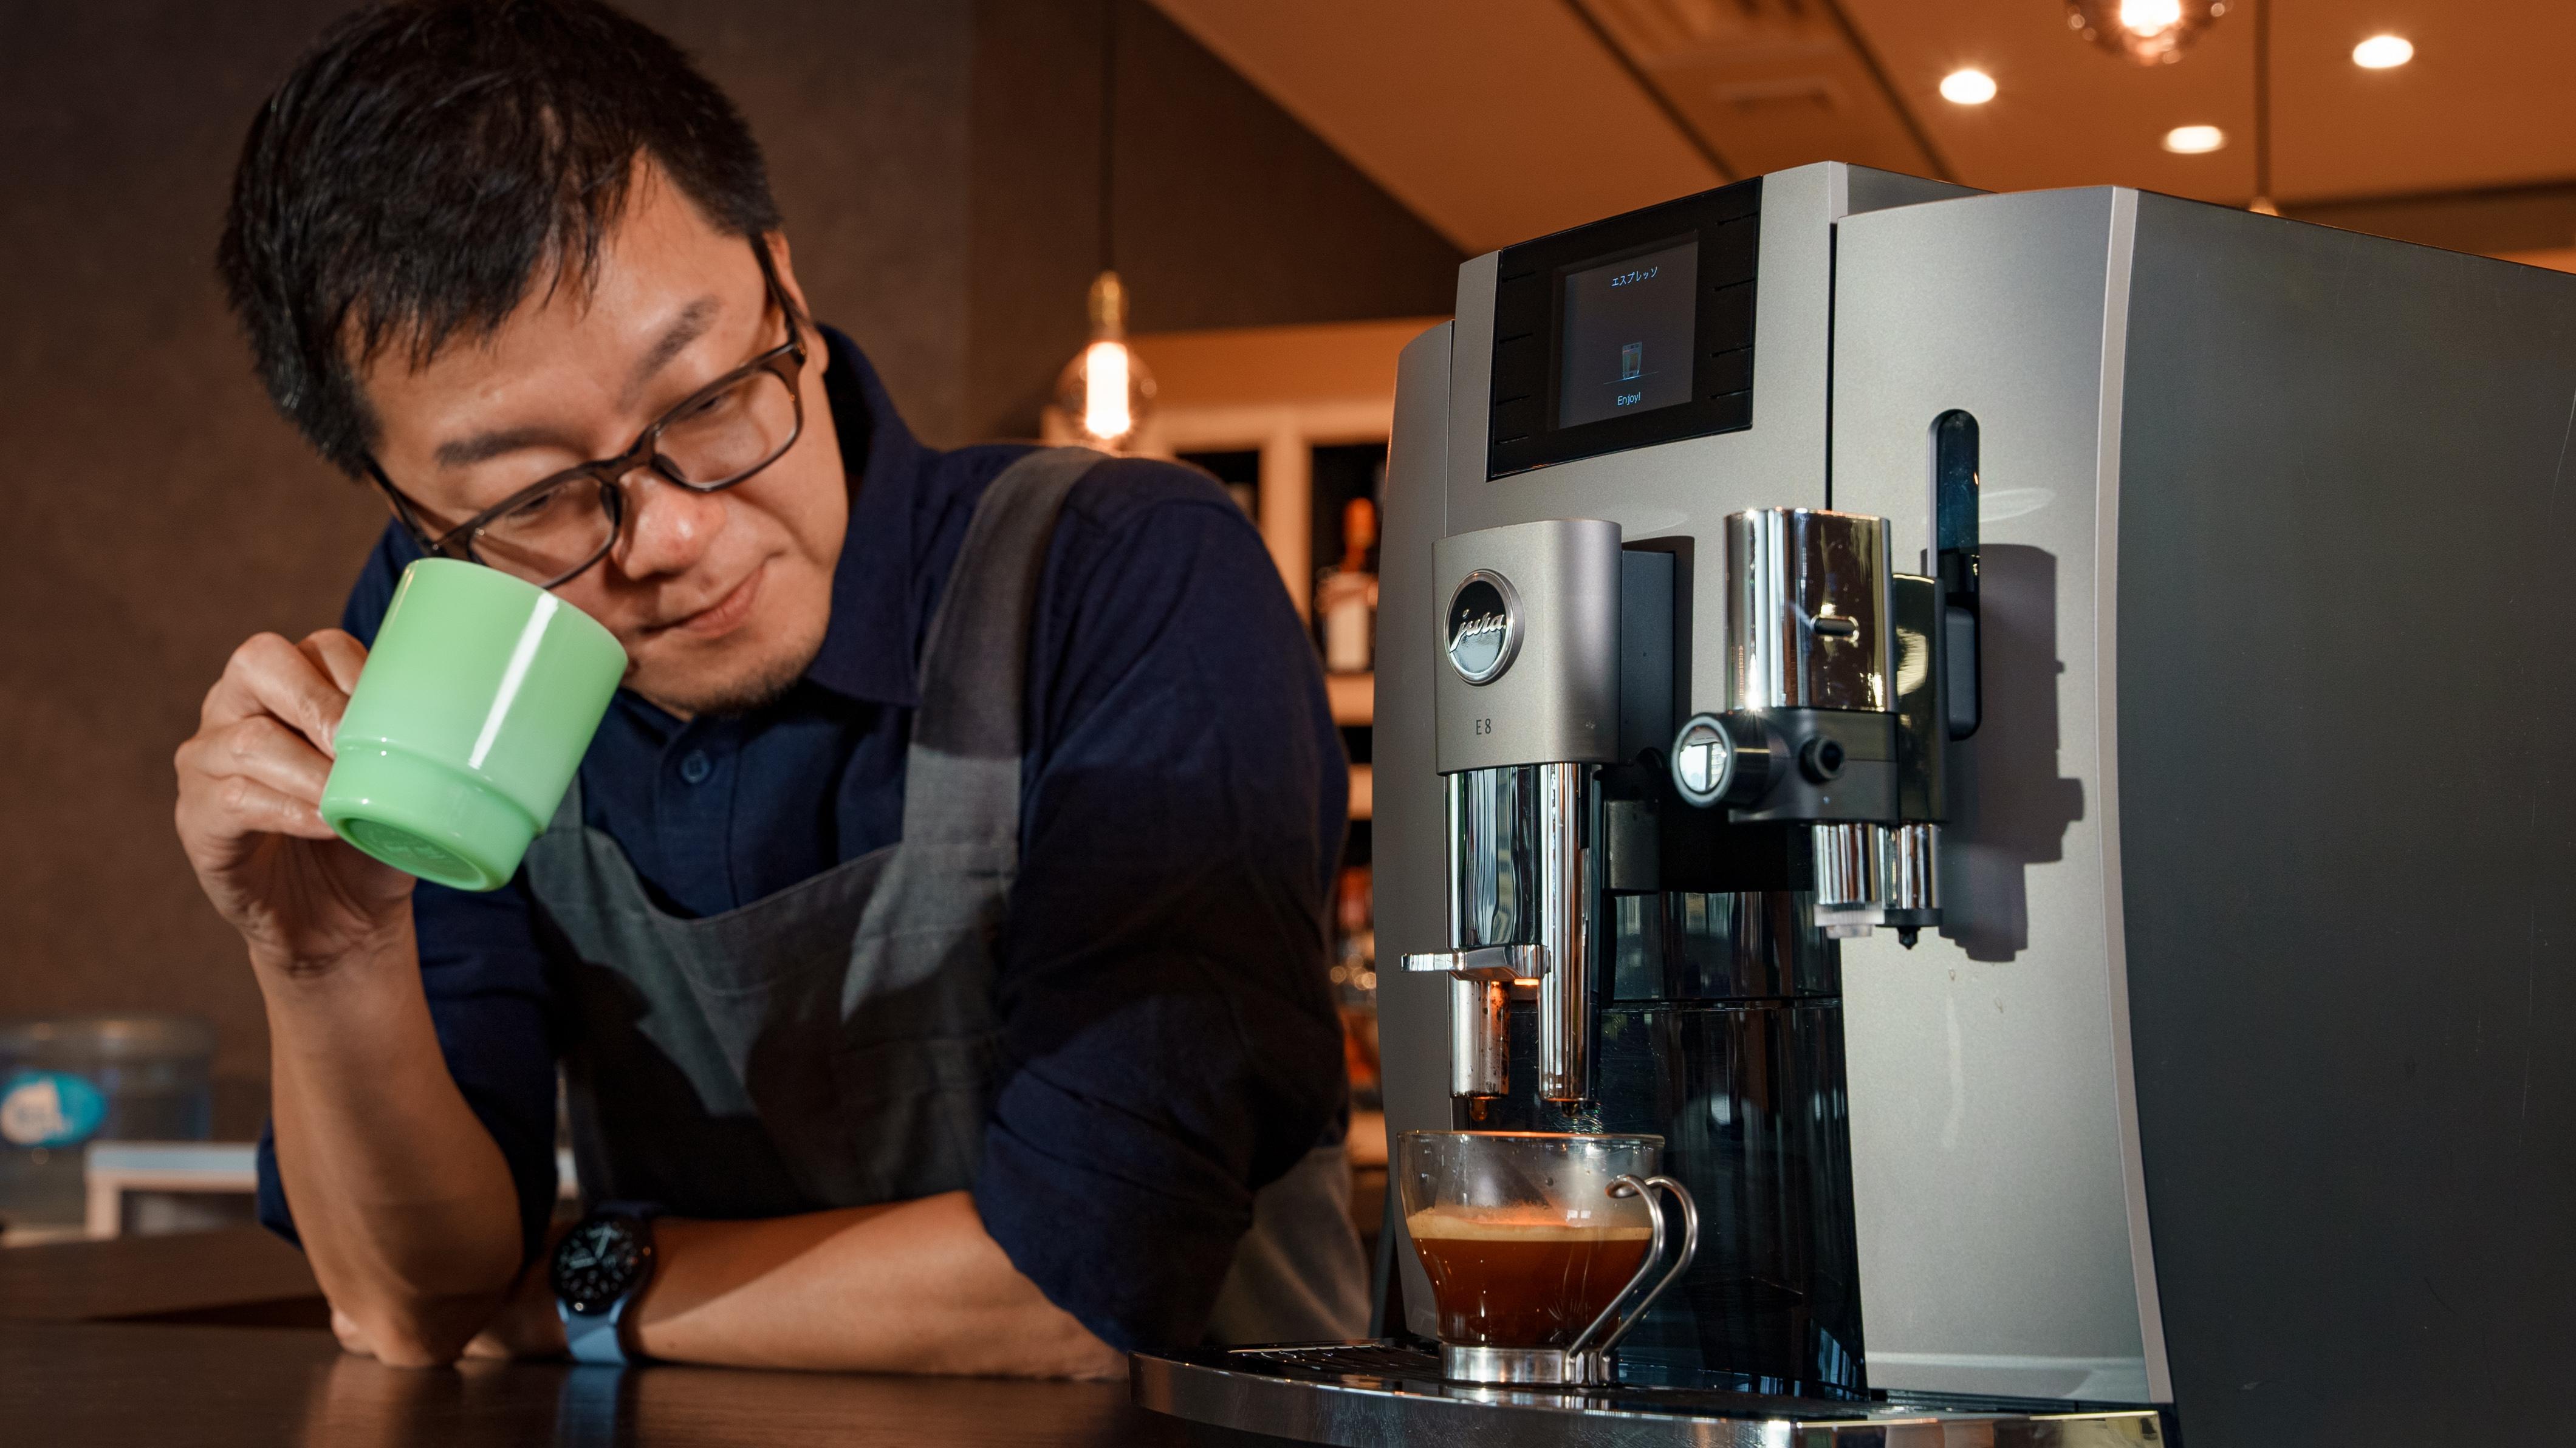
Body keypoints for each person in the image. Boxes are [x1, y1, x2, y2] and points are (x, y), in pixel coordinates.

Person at [172, 0, 1363, 1374]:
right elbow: (404, 1301)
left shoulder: (1120, 571)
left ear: (783, 286)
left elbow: (1089, 1284)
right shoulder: (449, 631)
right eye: (540, 497)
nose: (672, 536)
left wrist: (578, 1290)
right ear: (408, 507)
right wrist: (322, 956)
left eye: (706, 395)